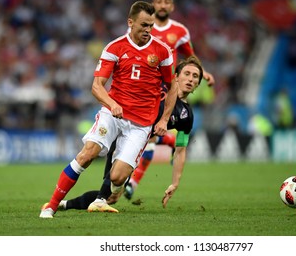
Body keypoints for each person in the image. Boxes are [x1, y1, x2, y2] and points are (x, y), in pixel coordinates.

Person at [39, 1, 177, 218]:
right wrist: (112, 104)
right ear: (130, 22)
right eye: (143, 25)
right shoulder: (115, 47)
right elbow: (96, 86)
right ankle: (51, 206)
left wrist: (163, 120)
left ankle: (108, 195)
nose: (148, 30)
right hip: (113, 113)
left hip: (141, 124)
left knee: (117, 177)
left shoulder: (162, 51)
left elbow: (172, 87)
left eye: (151, 25)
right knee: (88, 153)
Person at [52, 56, 203, 212]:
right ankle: (88, 201)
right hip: (122, 131)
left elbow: (180, 150)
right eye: (187, 73)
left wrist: (175, 183)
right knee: (109, 184)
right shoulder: (159, 85)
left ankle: (64, 204)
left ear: (198, 84)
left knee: (113, 197)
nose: (190, 79)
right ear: (176, 76)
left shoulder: (186, 115)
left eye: (195, 76)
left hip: (135, 145)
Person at [122, 0, 215, 200]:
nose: (162, 5)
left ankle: (130, 183)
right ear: (153, 4)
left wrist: (203, 72)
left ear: (171, 6)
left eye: (167, 1)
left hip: (167, 86)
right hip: (146, 85)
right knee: (147, 135)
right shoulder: (145, 28)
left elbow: (191, 57)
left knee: (151, 135)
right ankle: (127, 180)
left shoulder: (180, 31)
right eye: (158, 1)